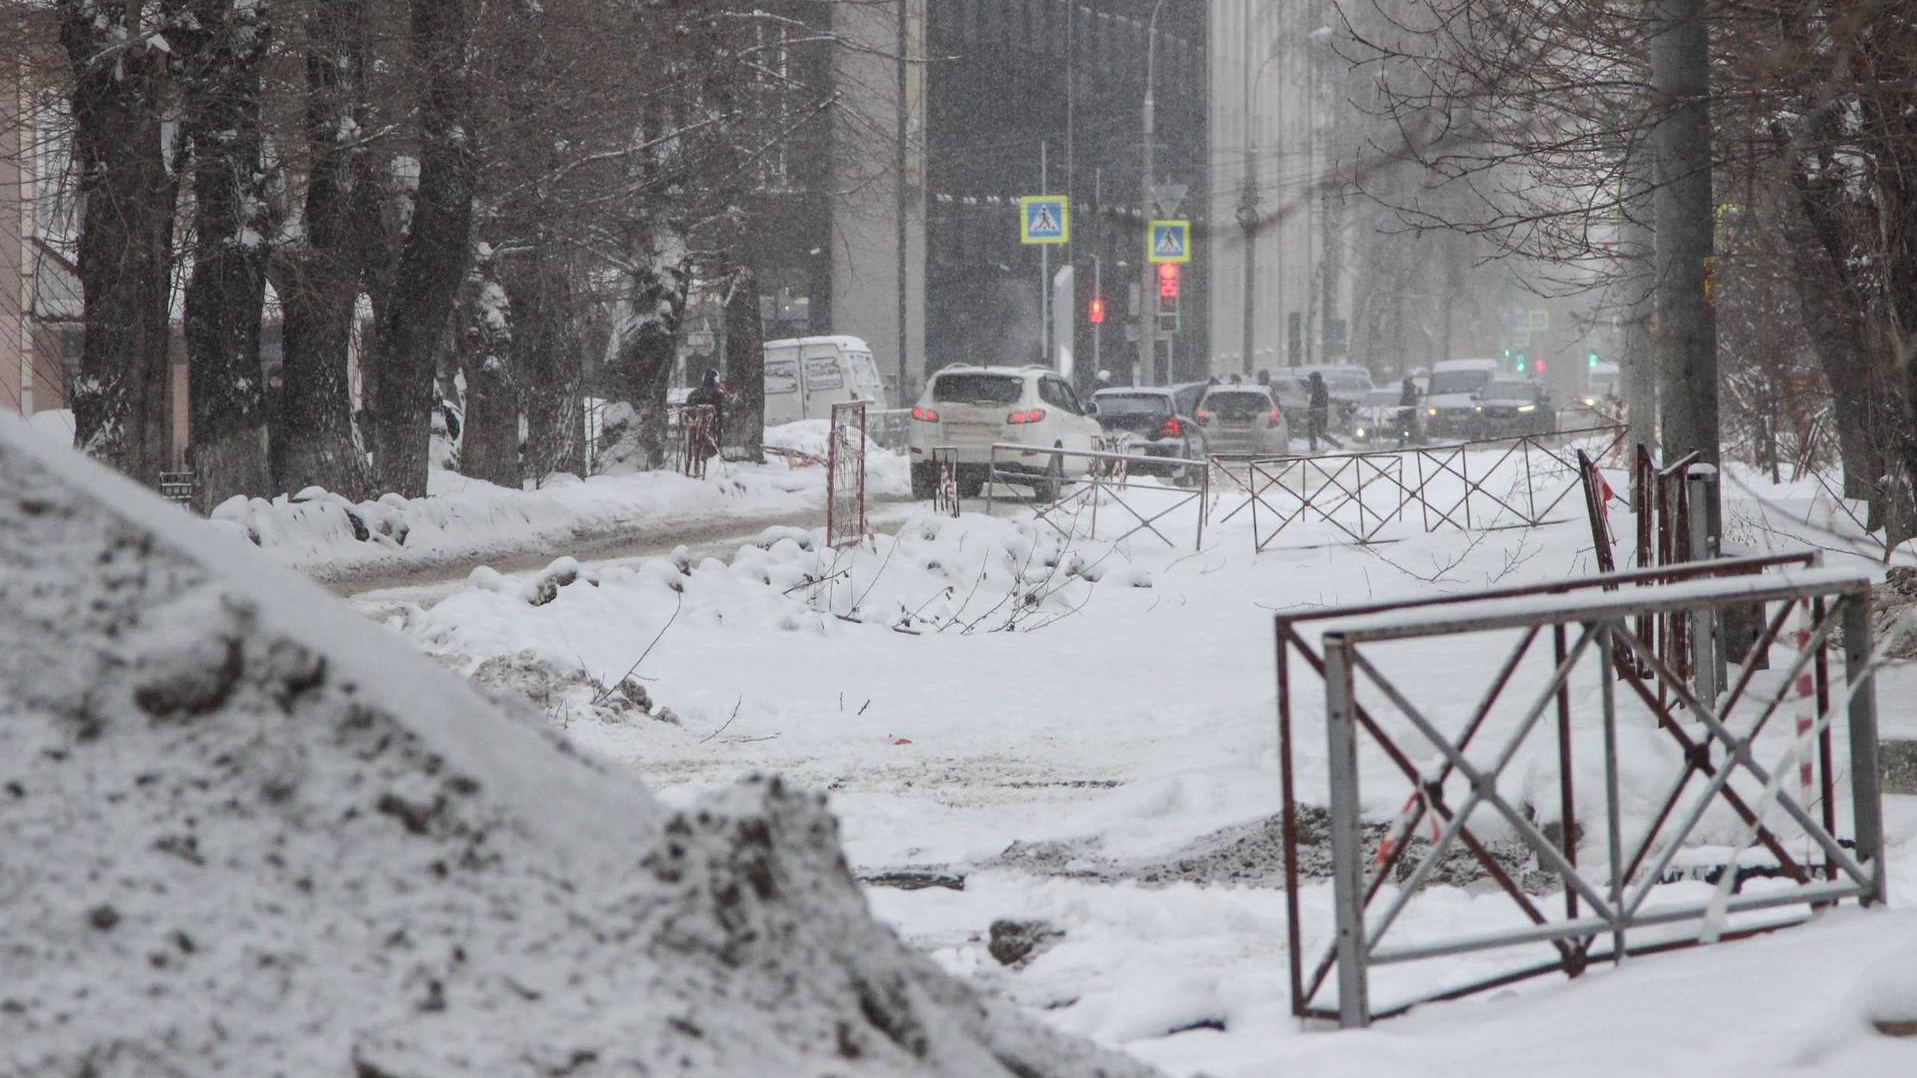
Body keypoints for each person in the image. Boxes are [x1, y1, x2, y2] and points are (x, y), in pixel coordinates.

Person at [686, 367, 725, 458]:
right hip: (710, 429)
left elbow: (687, 411)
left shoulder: (693, 395)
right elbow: (720, 417)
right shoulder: (718, 396)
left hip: (694, 428)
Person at [1306, 371, 1331, 453]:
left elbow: (1318, 402)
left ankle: (1313, 448)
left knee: (1315, 431)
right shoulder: (1319, 388)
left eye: (1311, 380)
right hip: (1317, 413)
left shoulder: (1319, 389)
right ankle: (1313, 447)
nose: (1310, 382)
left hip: (1318, 414)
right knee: (1319, 432)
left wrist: (1314, 410)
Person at [1397, 377, 1419, 447]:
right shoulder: (1410, 392)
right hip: (1408, 411)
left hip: (1408, 411)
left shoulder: (1408, 392)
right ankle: (1409, 438)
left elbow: (1406, 401)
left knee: (1406, 426)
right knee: (1409, 426)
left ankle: (1406, 439)